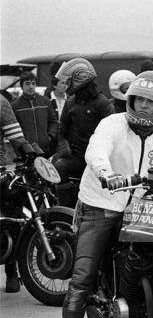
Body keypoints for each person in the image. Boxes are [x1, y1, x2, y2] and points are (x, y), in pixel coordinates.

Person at [56, 70, 153, 318]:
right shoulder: (112, 123)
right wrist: (105, 173)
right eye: (139, 99)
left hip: (140, 206)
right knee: (82, 278)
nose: (143, 106)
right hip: (101, 204)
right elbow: (96, 149)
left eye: (151, 102)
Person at [53, 58, 114, 207]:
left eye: (70, 81)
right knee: (58, 166)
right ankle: (66, 209)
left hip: (98, 160)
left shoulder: (102, 103)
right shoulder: (70, 102)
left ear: (80, 79)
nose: (67, 85)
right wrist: (63, 146)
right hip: (77, 157)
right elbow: (62, 131)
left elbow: (113, 134)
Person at [1, 94, 40, 293]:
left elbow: (15, 135)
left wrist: (30, 152)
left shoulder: (1, 102)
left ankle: (11, 270)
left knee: (13, 211)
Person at [11, 71, 58, 156]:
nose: (31, 87)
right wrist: (22, 144)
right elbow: (14, 130)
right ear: (22, 86)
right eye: (27, 84)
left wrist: (50, 137)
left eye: (33, 83)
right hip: (26, 151)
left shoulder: (45, 101)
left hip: (46, 149)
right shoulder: (15, 106)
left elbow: (53, 121)